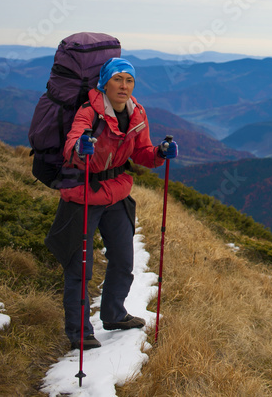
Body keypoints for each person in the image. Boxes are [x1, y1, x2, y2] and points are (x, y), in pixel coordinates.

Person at [45, 57, 178, 350]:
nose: (124, 85)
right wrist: (81, 148)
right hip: (82, 194)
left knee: (123, 259)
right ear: (105, 82)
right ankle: (79, 332)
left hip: (116, 193)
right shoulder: (88, 112)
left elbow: (142, 152)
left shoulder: (136, 113)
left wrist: (159, 152)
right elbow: (72, 144)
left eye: (129, 80)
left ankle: (114, 314)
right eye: (118, 79)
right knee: (80, 267)